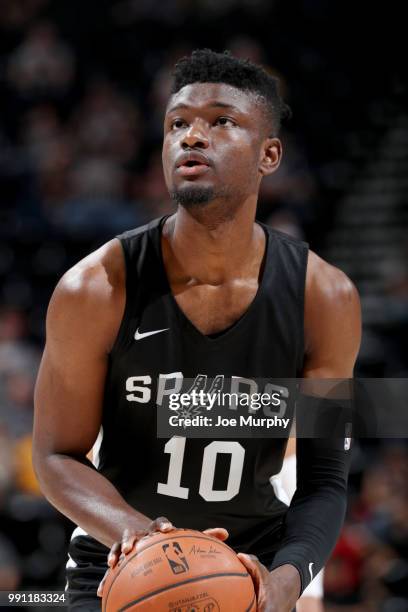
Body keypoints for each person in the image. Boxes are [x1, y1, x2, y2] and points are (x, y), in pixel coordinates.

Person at [33, 49, 361, 612]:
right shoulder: (94, 289)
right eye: (177, 123)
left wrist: (289, 577)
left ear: (269, 154)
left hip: (255, 567)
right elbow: (56, 456)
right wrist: (146, 540)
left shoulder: (325, 298)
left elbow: (324, 475)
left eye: (221, 121)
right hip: (121, 560)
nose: (191, 136)